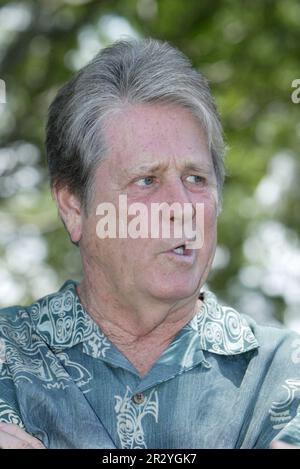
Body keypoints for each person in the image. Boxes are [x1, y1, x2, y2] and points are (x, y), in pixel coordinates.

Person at [0, 38, 299, 449]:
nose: (181, 207)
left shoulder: (285, 374)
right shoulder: (7, 359)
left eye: (196, 178)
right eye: (147, 180)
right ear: (73, 207)